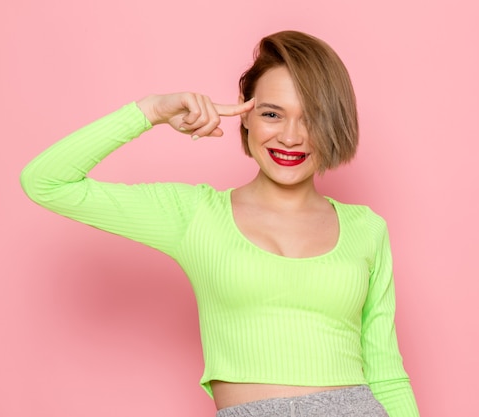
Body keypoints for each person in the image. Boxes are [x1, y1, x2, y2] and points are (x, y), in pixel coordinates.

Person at [21, 30, 419, 417]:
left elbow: (387, 373)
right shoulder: (194, 215)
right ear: (244, 116)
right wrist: (151, 111)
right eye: (271, 114)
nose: (291, 136)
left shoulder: (366, 227)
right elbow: (46, 182)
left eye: (311, 117)